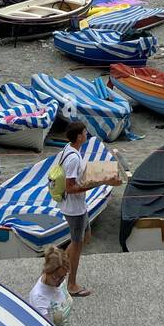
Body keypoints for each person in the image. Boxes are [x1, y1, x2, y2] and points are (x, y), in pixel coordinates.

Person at [56, 122, 92, 296]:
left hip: (79, 206)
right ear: (79, 137)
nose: (86, 134)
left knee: (86, 237)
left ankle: (58, 264)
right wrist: (91, 185)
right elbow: (70, 188)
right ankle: (71, 285)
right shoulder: (73, 158)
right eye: (85, 133)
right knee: (77, 245)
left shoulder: (68, 149)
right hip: (74, 209)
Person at [28, 245, 73, 326]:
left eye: (63, 277)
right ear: (47, 271)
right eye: (56, 277)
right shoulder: (39, 297)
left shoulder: (59, 277)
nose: (59, 282)